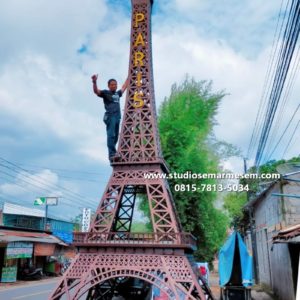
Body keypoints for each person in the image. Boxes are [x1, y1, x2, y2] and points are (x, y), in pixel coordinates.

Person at [91, 74, 129, 162]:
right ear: (108, 86)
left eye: (115, 84)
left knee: (115, 137)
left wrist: (129, 75)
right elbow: (96, 91)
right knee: (111, 135)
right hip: (110, 116)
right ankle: (112, 154)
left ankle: (112, 154)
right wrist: (94, 82)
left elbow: (124, 87)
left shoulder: (117, 93)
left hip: (117, 117)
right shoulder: (105, 93)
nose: (114, 86)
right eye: (112, 84)